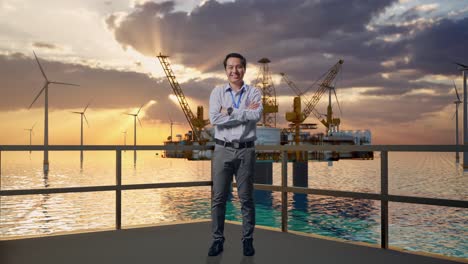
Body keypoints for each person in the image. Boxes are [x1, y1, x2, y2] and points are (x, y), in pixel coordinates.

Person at [208, 53, 263, 257]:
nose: (234, 71)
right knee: (219, 198)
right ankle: (217, 240)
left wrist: (229, 111)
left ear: (244, 69)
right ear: (226, 70)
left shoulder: (254, 92)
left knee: (246, 199)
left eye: (238, 67)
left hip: (246, 150)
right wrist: (242, 113)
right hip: (222, 149)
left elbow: (256, 115)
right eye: (230, 67)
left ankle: (247, 240)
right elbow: (215, 118)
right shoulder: (217, 92)